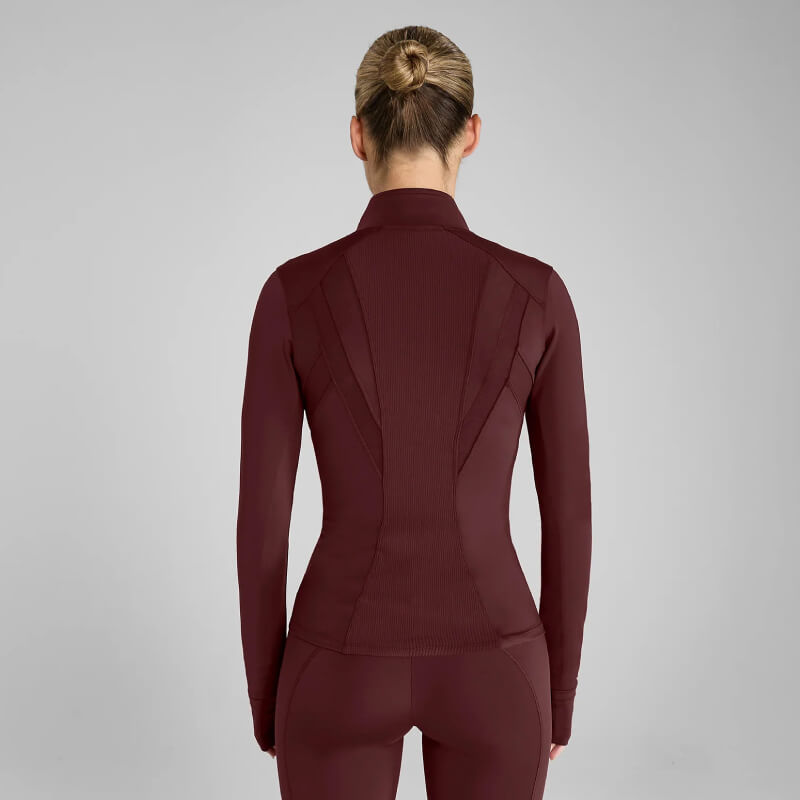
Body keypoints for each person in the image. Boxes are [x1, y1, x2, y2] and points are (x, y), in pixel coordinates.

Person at [236, 24, 592, 800]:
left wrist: (270, 700)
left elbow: (262, 524)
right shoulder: (537, 295)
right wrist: (558, 696)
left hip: (336, 662)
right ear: (471, 134)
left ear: (358, 135)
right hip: (498, 664)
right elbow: (569, 518)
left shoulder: (294, 294)